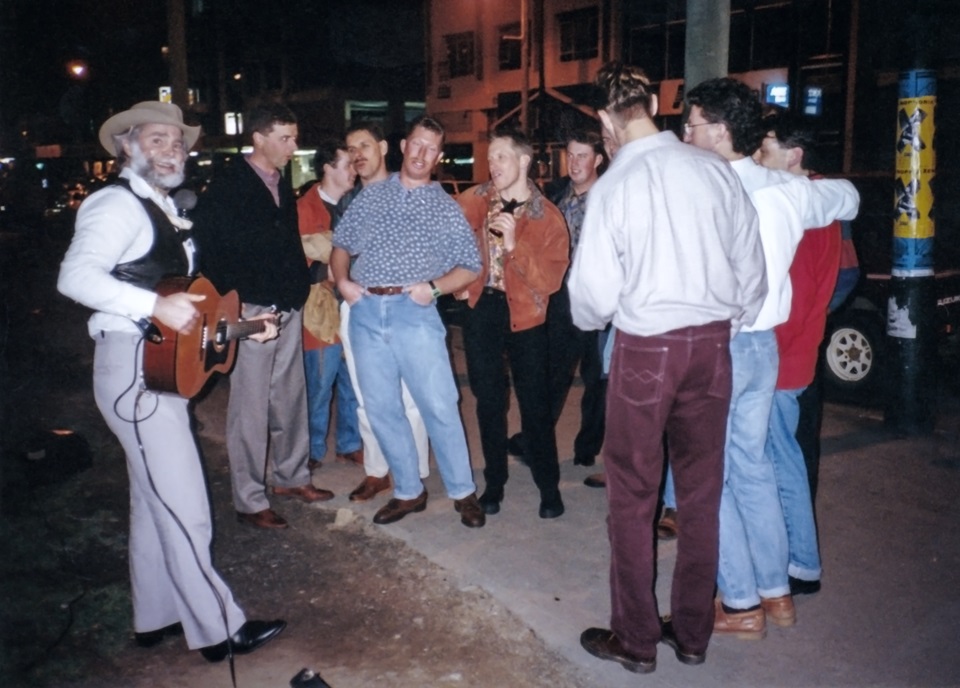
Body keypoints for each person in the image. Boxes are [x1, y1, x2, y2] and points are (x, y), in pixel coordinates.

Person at [57, 101, 285, 661]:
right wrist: (151, 308)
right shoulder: (115, 204)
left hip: (155, 370)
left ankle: (154, 616)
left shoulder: (161, 208)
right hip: (135, 371)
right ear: (127, 147)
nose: (171, 150)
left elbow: (182, 305)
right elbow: (75, 276)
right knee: (185, 504)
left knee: (152, 499)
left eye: (177, 141)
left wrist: (241, 330)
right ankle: (218, 630)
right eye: (156, 140)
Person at [570, 62, 767, 673]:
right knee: (702, 494)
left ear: (604, 118)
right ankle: (692, 634)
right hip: (711, 345)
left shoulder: (613, 187)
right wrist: (723, 323)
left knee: (632, 496)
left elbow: (592, 299)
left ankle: (634, 639)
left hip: (647, 350)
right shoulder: (712, 169)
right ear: (654, 101)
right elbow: (750, 271)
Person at [683, 77, 859, 636]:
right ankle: (777, 594)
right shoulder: (786, 189)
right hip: (763, 347)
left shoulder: (705, 191)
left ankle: (739, 603)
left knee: (714, 475)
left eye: (690, 124)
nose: (685, 133)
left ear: (717, 130)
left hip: (722, 345)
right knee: (753, 468)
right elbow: (848, 196)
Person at [331, 115, 486, 528]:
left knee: (439, 404)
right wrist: (343, 279)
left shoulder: (444, 207)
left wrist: (433, 288)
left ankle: (463, 492)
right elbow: (342, 245)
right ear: (403, 145)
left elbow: (470, 266)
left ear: (438, 155)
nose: (421, 154)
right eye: (417, 144)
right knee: (381, 407)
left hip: (413, 312)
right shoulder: (373, 197)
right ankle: (407, 490)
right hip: (365, 311)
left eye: (431, 148)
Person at [192, 103, 333, 531]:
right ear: (258, 138)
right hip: (253, 309)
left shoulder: (281, 179)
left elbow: (286, 242)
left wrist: (297, 288)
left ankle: (291, 477)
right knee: (250, 407)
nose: (294, 146)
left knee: (291, 396)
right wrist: (241, 307)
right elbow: (212, 252)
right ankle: (250, 499)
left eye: (294, 137)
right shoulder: (228, 185)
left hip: (287, 302)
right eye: (285, 138)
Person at [754, 110, 849, 596]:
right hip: (797, 352)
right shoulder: (818, 204)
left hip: (783, 354)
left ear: (795, 154)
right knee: (784, 459)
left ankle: (798, 565)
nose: (758, 151)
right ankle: (800, 562)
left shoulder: (803, 209)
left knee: (779, 463)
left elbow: (793, 290)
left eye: (766, 143)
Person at [456, 128, 570, 519]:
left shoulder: (548, 217)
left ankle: (549, 486)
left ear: (524, 161)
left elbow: (551, 280)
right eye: (490, 158)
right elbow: (445, 239)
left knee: (535, 404)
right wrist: (457, 283)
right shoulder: (474, 201)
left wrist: (512, 246)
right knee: (488, 402)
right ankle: (495, 483)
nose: (493, 165)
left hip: (528, 316)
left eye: (502, 157)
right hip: (483, 309)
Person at [338, 122, 431, 504]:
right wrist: (343, 282)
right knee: (366, 395)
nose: (358, 153)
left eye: (364, 145)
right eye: (351, 148)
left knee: (410, 396)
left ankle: (413, 474)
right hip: (359, 305)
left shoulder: (408, 191)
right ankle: (377, 471)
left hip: (403, 305)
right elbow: (338, 252)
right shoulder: (349, 201)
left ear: (383, 146)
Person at [297, 138, 362, 472]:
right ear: (327, 168)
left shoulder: (356, 204)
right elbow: (298, 265)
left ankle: (350, 444)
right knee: (319, 385)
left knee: (353, 381)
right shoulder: (303, 209)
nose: (354, 169)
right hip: (319, 312)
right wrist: (336, 270)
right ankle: (312, 447)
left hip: (351, 307)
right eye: (346, 164)